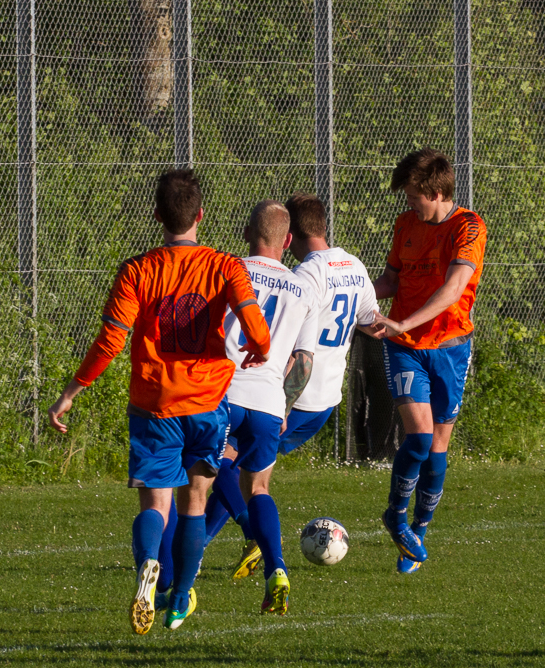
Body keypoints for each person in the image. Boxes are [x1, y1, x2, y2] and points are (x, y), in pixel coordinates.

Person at [47, 169, 271, 634]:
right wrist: (260, 348)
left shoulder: (137, 270)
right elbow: (256, 327)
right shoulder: (226, 266)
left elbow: (111, 340)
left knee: (155, 503)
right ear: (200, 215)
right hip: (207, 402)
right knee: (196, 501)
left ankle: (150, 562)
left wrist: (72, 391)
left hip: (154, 404)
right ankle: (181, 597)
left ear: (157, 216)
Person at [204, 193, 383, 583]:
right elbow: (373, 322)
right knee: (245, 471)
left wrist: (284, 403)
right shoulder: (353, 264)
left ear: (292, 238)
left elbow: (297, 353)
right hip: (325, 399)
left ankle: (223, 541)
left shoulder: (305, 275)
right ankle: (228, 543)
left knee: (226, 465)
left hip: (285, 394)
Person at [373, 148, 487, 574]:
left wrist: (403, 321)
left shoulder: (469, 227)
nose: (408, 203)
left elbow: (454, 289)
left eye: (413, 195)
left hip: (451, 347)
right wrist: (351, 296)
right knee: (419, 438)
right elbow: (391, 280)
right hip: (405, 346)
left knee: (438, 446)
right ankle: (396, 516)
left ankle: (418, 532)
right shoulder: (406, 224)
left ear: (436, 192)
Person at [203, 200, 319, 614]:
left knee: (207, 470)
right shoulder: (304, 289)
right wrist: (286, 407)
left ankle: (236, 537)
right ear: (287, 242)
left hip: (223, 391)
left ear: (246, 232)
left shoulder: (227, 269)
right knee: (258, 487)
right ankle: (277, 568)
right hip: (269, 402)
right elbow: (303, 361)